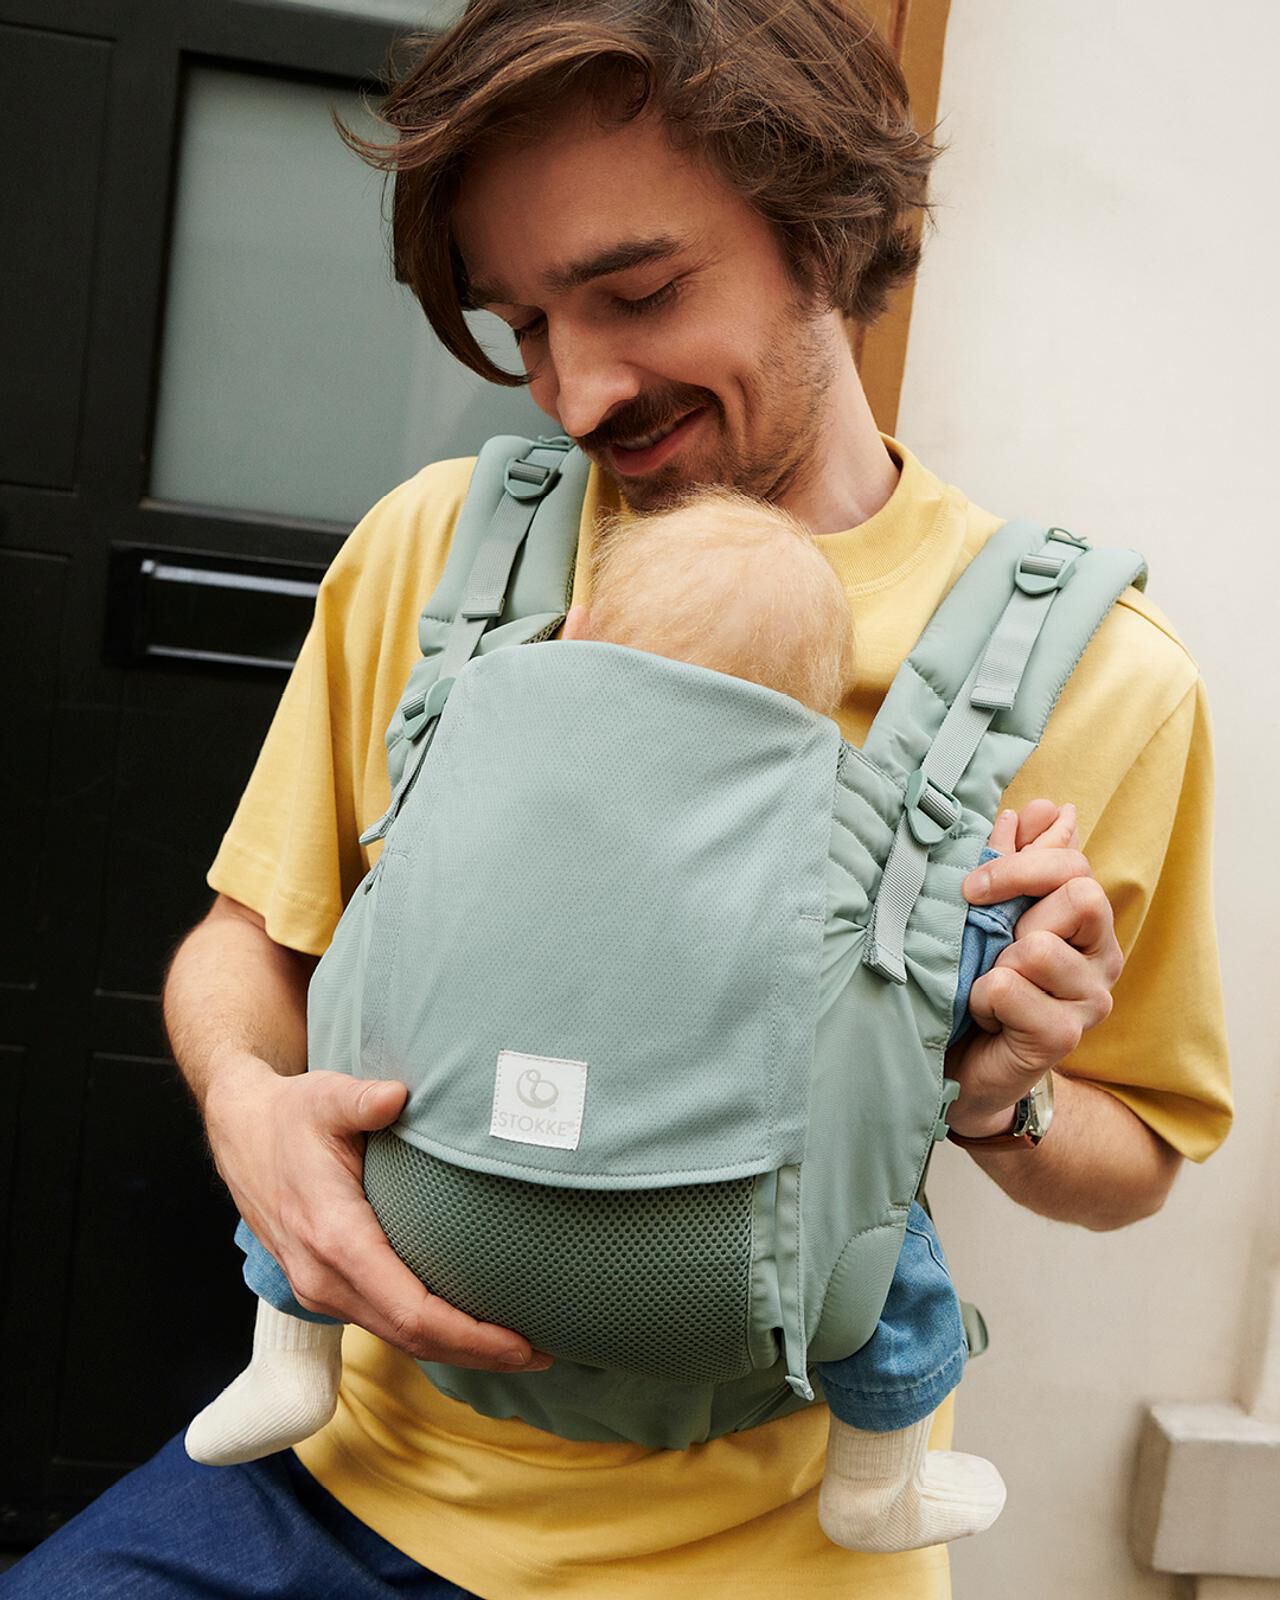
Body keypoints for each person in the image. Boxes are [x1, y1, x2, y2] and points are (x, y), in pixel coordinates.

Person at [1, 2, 1230, 1596]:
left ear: (826, 225)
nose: (577, 393)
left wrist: (1005, 1092)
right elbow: (248, 942)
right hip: (328, 1485)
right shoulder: (440, 552)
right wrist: (252, 1117)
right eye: (523, 327)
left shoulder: (1095, 678)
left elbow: (1140, 1155)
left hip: (760, 1555)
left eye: (637, 292)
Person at [181, 488, 1071, 1556]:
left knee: (323, 1130)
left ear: (579, 634)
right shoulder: (838, 821)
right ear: (815, 711)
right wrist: (1012, 895)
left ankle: (286, 1352)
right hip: (734, 1267)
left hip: (419, 1207)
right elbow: (961, 952)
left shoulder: (476, 744)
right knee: (883, 1226)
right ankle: (878, 1476)